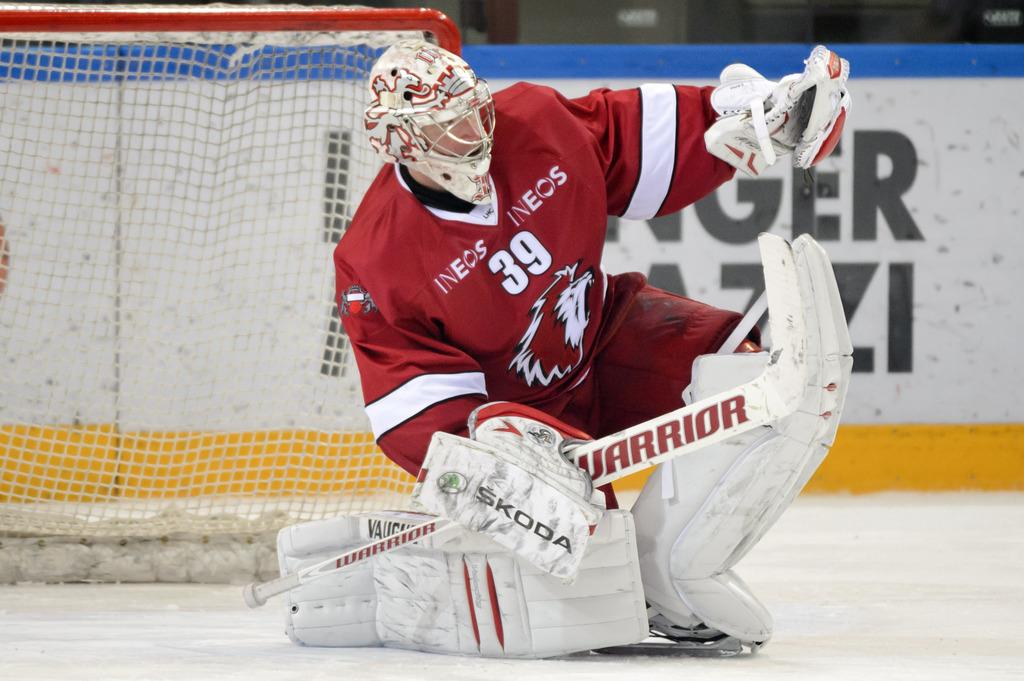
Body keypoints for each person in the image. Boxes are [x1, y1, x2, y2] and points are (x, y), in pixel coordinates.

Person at [274, 40, 853, 658]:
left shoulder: (535, 122)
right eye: (450, 129)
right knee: (587, 562)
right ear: (400, 142)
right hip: (531, 425)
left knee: (748, 374)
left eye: (477, 112)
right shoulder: (377, 258)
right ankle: (620, 570)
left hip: (605, 335)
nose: (476, 135)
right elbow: (412, 402)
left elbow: (630, 137)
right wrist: (483, 455)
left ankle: (668, 571)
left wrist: (753, 114)